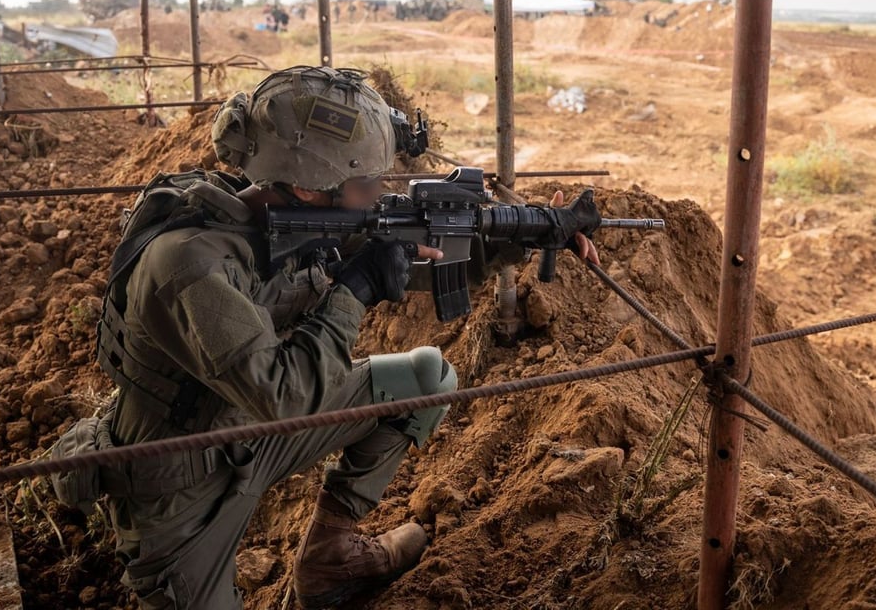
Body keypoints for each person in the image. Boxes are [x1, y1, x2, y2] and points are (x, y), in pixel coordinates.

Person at [93, 65, 600, 609]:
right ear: (311, 188)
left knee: (424, 380)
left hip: (253, 437)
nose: (378, 194)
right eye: (366, 185)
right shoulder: (188, 262)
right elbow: (286, 398)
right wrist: (354, 290)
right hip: (179, 487)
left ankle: (330, 563)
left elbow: (406, 261)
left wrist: (521, 234)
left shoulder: (278, 216)